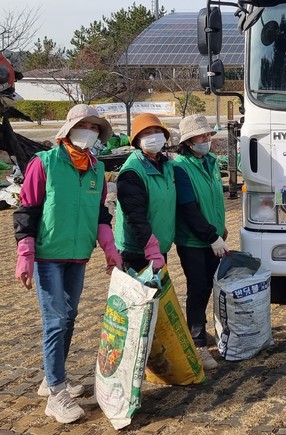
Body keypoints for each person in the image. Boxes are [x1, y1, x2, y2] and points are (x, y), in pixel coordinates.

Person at [13, 104, 122, 423]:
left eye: (94, 127)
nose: (89, 131)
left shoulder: (97, 169)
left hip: (78, 256)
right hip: (48, 256)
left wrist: (110, 248)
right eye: (84, 125)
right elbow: (27, 210)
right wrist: (25, 251)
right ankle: (56, 393)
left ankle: (52, 378)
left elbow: (101, 214)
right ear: (70, 127)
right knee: (56, 319)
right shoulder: (44, 162)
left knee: (70, 316)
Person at [174, 114, 228, 370]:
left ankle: (200, 331)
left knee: (209, 286)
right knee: (197, 288)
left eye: (208, 135)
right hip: (194, 241)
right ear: (188, 141)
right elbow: (188, 209)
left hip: (214, 237)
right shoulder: (181, 167)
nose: (207, 140)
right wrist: (211, 236)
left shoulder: (211, 162)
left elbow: (214, 198)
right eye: (202, 136)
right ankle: (197, 344)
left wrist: (221, 228)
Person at [115, 113, 176, 273]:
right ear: (137, 140)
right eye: (147, 133)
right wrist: (151, 247)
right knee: (139, 297)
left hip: (159, 246)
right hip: (137, 250)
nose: (154, 136)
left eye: (157, 131)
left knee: (157, 296)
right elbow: (135, 215)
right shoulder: (132, 170)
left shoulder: (165, 165)